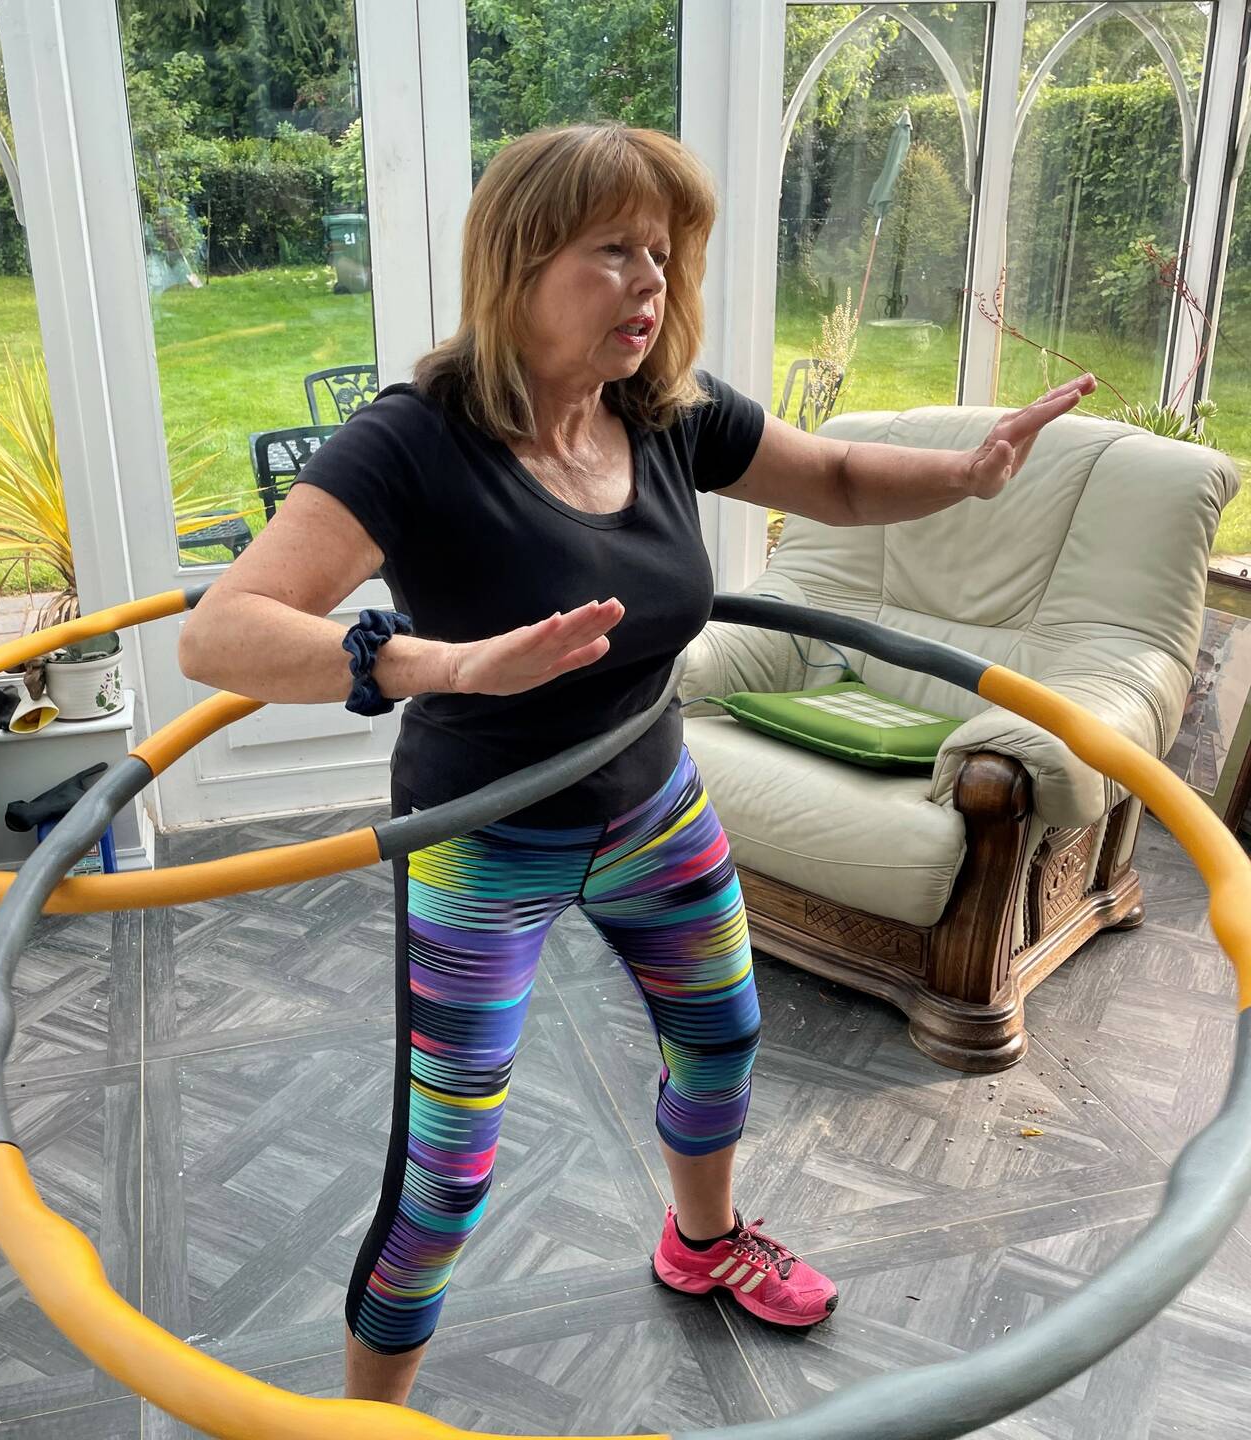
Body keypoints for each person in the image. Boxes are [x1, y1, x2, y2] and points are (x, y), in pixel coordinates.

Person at [179, 122, 1094, 1407]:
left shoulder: (664, 413)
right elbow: (220, 636)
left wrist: (967, 470)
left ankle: (702, 1241)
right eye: (613, 252)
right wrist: (444, 665)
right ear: (519, 265)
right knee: (447, 1173)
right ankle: (366, 1426)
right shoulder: (415, 442)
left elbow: (829, 475)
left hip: (653, 805)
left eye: (661, 254)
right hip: (484, 834)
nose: (651, 283)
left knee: (723, 1039)